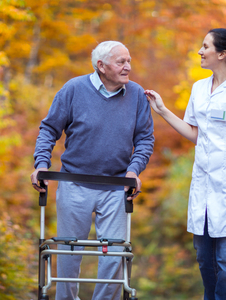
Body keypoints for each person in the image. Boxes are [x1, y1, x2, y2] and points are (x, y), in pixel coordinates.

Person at [145, 28, 226, 300]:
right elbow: (194, 134)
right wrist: (162, 110)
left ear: (222, 54)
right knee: (204, 259)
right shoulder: (199, 89)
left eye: (205, 46)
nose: (199, 51)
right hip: (204, 185)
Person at [31, 41, 154, 300]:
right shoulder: (74, 89)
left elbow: (144, 139)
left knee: (114, 257)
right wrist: (41, 164)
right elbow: (49, 130)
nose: (128, 67)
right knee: (68, 254)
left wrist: (134, 170)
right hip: (74, 183)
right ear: (101, 65)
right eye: (121, 62)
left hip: (116, 187)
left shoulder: (136, 95)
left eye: (129, 61)